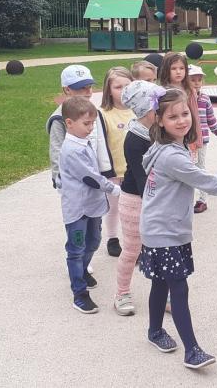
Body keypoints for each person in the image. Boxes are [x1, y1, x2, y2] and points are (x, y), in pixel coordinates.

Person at [139, 89, 217, 369]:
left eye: (185, 113)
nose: (181, 120)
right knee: (179, 288)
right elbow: (206, 181)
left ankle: (154, 331)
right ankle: (192, 350)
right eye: (172, 116)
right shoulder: (172, 156)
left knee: (161, 283)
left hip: (160, 227)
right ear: (160, 120)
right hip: (164, 231)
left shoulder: (166, 147)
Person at [48, 64, 114, 276]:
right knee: (78, 228)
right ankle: (78, 266)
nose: (87, 91)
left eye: (89, 87)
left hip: (93, 177)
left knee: (94, 230)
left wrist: (106, 169)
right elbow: (57, 150)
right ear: (67, 89)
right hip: (74, 183)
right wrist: (59, 179)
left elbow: (101, 140)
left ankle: (83, 262)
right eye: (81, 88)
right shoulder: (59, 119)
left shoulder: (92, 113)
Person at [58, 96, 122, 313]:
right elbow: (90, 177)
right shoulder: (72, 149)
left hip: (92, 206)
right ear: (69, 123)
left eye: (93, 123)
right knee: (76, 248)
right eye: (86, 123)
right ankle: (79, 293)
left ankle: (83, 270)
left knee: (93, 241)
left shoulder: (83, 141)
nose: (91, 128)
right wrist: (114, 189)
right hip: (77, 210)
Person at [114, 80, 165, 316]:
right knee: (132, 250)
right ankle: (121, 293)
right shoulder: (135, 140)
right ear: (147, 110)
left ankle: (162, 294)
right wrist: (157, 204)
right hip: (136, 200)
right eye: (159, 107)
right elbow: (142, 178)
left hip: (158, 198)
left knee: (161, 250)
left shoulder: (159, 131)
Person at [99, 67, 134, 257]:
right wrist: (106, 171)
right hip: (113, 172)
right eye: (117, 87)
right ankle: (112, 238)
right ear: (109, 90)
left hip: (134, 171)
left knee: (133, 209)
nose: (123, 91)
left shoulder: (138, 111)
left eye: (127, 86)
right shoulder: (103, 114)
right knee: (113, 208)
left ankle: (134, 241)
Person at [187, 64, 217, 214]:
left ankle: (202, 199)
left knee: (200, 168)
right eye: (193, 80)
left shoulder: (204, 99)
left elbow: (211, 120)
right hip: (185, 141)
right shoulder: (182, 98)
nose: (197, 83)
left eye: (199, 80)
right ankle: (185, 199)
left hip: (201, 141)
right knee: (186, 168)